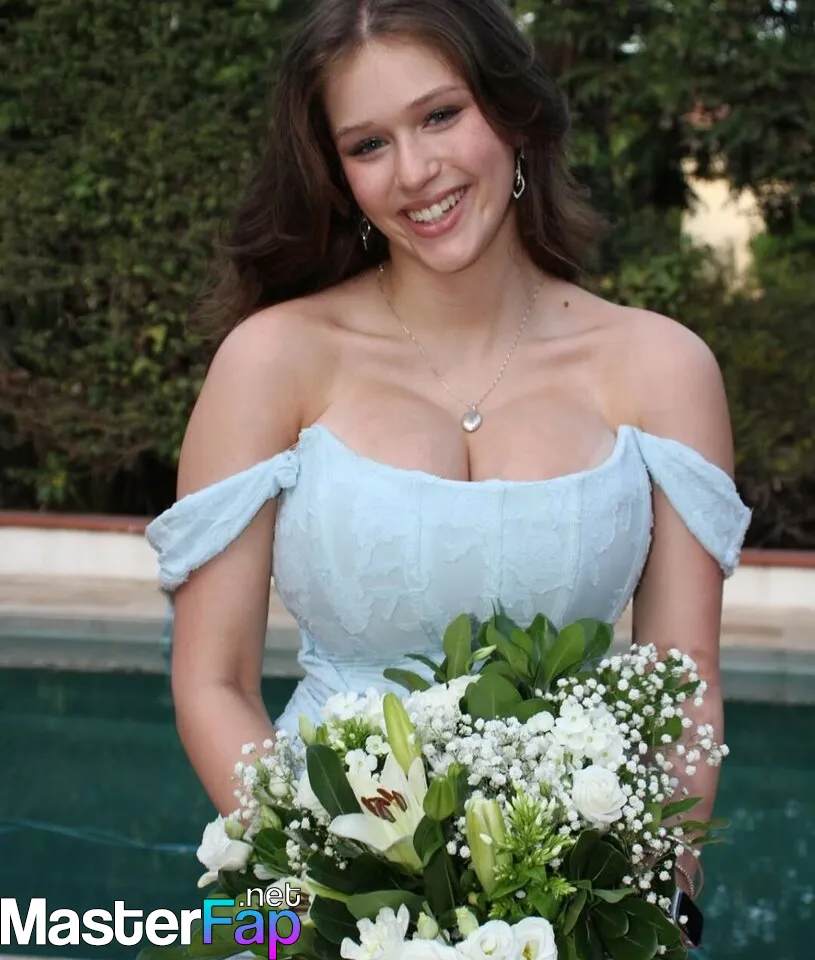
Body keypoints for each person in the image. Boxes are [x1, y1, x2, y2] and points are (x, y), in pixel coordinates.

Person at [145, 0, 751, 907]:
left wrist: (648, 899)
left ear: (511, 113)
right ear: (337, 175)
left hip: (581, 905)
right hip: (319, 901)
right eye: (368, 144)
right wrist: (330, 895)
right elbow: (213, 682)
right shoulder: (271, 361)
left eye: (439, 115)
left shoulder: (662, 367)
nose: (414, 171)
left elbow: (681, 684)